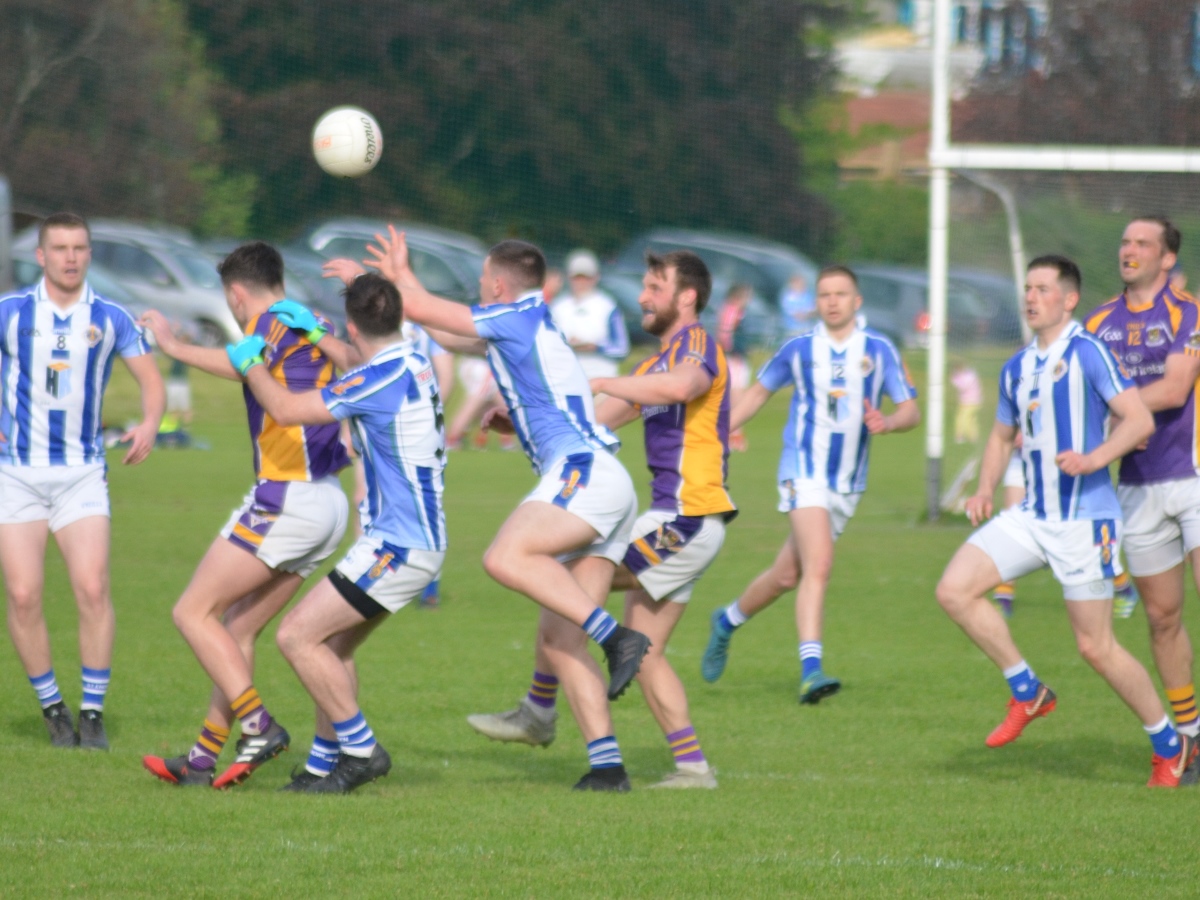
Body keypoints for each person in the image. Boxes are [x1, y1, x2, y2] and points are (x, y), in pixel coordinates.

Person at [350, 226, 650, 791]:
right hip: (606, 480)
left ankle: (618, 637)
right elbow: (451, 334)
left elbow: (419, 308)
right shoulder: (530, 322)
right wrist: (517, 420)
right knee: (561, 639)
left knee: (505, 557)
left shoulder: (515, 317)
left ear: (495, 283)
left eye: (483, 284)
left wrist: (387, 277)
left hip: (584, 474)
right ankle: (607, 767)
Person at [468, 250, 735, 788]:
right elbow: (587, 422)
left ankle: (540, 709)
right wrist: (518, 423)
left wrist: (608, 381)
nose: (642, 296)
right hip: (680, 520)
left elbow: (683, 388)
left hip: (687, 517)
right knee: (643, 648)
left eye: (655, 286)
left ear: (687, 297)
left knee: (562, 593)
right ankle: (692, 768)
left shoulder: (696, 346)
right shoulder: (652, 365)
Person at [935, 254, 1196, 788]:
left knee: (1095, 647)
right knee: (954, 590)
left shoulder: (1089, 352)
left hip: (1086, 520)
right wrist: (985, 488)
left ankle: (1169, 747)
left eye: (1043, 289)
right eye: (1027, 288)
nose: (1031, 297)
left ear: (1069, 299)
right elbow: (1000, 436)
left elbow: (1139, 418)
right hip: (1033, 514)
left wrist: (1094, 458)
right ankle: (1027, 691)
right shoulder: (1017, 366)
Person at [140, 242, 350, 788]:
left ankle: (259, 725)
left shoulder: (270, 326)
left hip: (288, 497)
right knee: (238, 627)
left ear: (235, 293)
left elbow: (236, 362)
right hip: (329, 502)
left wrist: (171, 344)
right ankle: (204, 757)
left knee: (192, 612)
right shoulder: (315, 322)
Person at [227, 273, 446, 793]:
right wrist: (319, 336)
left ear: (353, 322)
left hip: (398, 544)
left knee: (295, 636)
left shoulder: (375, 378)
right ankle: (323, 766)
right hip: (413, 541)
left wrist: (251, 364)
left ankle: (362, 749)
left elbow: (286, 410)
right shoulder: (415, 357)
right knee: (332, 648)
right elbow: (358, 360)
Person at [700, 265, 920, 703]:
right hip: (801, 471)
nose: (832, 301)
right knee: (819, 565)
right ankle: (811, 670)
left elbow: (911, 411)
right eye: (824, 294)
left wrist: (889, 421)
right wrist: (717, 437)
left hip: (847, 483)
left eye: (841, 294)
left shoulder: (879, 349)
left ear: (857, 302)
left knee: (785, 577)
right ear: (815, 303)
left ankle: (726, 621)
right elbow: (757, 394)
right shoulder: (798, 349)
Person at [0, 212, 164, 750]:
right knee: (23, 596)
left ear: (88, 255)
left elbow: (150, 379)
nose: (71, 257)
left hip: (81, 474)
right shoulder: (11, 312)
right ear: (41, 256)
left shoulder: (110, 316)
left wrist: (151, 422)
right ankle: (53, 708)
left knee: (92, 587)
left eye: (80, 248)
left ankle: (92, 712)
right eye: (61, 248)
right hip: (16, 474)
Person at [1084, 217, 1200, 742]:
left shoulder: (1190, 312)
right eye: (1124, 240)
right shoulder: (1097, 325)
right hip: (1135, 485)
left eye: (1142, 243)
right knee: (1161, 618)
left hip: (1193, 474)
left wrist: (1118, 418)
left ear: (1167, 258)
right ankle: (1192, 734)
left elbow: (1176, 388)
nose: (1129, 249)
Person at [550, 249, 629, 379]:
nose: (581, 282)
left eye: (586, 277)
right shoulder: (557, 307)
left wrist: (596, 347)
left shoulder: (608, 306)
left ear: (596, 277)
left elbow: (621, 349)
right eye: (577, 277)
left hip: (601, 379)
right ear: (569, 277)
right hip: (565, 379)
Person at [716, 283, 753, 451]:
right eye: (746, 296)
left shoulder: (735, 312)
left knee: (737, 394)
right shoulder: (731, 311)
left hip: (736, 356)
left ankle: (734, 432)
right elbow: (725, 334)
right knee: (736, 394)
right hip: (734, 358)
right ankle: (734, 433)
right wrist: (732, 352)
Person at [950, 360, 982, 445]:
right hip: (968, 401)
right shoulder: (968, 375)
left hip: (970, 401)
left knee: (963, 419)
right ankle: (974, 438)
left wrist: (955, 380)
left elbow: (963, 387)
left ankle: (960, 437)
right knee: (971, 420)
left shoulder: (969, 376)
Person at [779, 272, 816, 337]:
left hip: (807, 328)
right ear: (792, 284)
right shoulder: (787, 297)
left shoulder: (808, 295)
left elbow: (813, 309)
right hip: (791, 330)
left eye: (802, 283)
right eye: (798, 283)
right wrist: (802, 315)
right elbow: (791, 313)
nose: (802, 285)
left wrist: (807, 314)